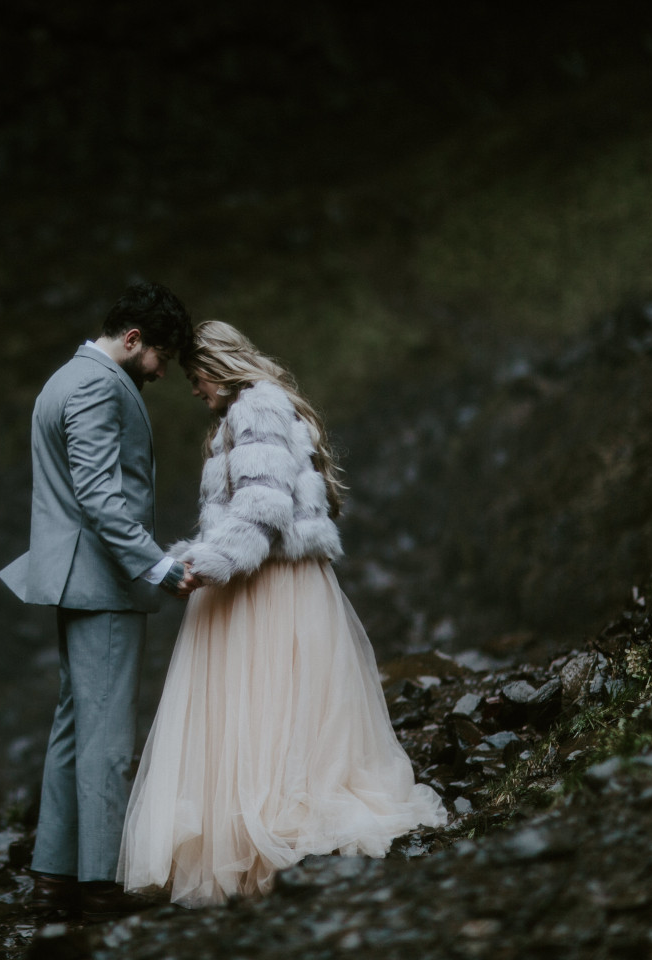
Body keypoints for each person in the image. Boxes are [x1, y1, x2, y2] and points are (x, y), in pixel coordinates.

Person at [116, 320, 446, 907]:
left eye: (196, 377)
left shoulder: (256, 408)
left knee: (265, 701)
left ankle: (266, 836)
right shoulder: (252, 410)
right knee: (276, 705)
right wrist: (199, 557)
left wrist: (202, 566)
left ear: (220, 365)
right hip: (270, 578)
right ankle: (254, 833)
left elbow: (262, 510)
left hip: (266, 582)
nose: (194, 389)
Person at [0, 281, 199, 923]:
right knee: (108, 737)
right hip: (102, 581)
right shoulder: (95, 385)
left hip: (75, 578)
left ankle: (55, 877)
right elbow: (99, 497)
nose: (163, 372)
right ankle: (100, 886)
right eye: (160, 357)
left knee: (73, 728)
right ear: (133, 338)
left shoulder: (66, 377)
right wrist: (159, 565)